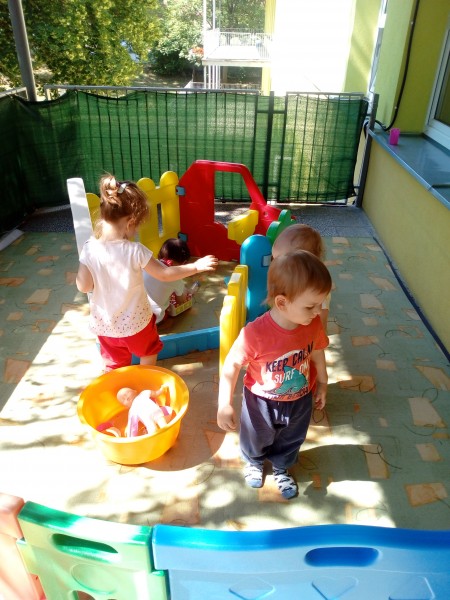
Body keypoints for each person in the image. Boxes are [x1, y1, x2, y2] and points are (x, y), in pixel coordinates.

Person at [217, 250, 332, 499]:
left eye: (320, 304)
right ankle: (254, 461)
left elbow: (317, 351)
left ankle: (281, 467)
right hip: (261, 401)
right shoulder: (255, 334)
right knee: (255, 436)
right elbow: (231, 365)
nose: (318, 311)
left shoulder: (312, 324)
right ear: (282, 303)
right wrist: (224, 403)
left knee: (292, 438)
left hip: (300, 399)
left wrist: (323, 381)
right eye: (310, 306)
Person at [76, 174, 218, 371]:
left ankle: (117, 386)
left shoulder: (89, 248)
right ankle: (145, 380)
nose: (135, 231)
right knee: (148, 351)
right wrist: (195, 266)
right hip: (137, 324)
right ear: (131, 222)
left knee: (114, 365)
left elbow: (84, 286)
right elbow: (165, 274)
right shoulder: (135, 251)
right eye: (136, 226)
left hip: (105, 326)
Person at [272, 223, 330, 332]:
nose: (276, 268)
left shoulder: (317, 291)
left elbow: (322, 323)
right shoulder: (288, 277)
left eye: (284, 264)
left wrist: (318, 338)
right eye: (274, 260)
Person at [144, 238, 200, 325]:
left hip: (138, 315)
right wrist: (186, 292)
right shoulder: (176, 278)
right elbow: (181, 300)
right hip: (154, 319)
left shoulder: (151, 265)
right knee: (171, 311)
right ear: (184, 263)